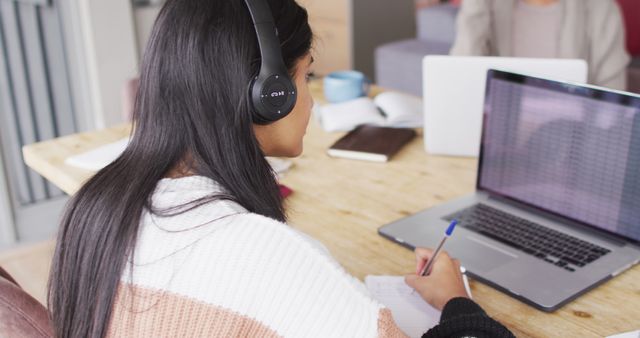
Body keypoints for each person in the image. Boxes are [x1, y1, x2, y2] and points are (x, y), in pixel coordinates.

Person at [47, 0, 515, 337]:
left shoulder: (92, 207)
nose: (310, 97)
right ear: (271, 93)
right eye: (306, 75)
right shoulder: (265, 256)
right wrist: (458, 307)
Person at [450, 0, 630, 91]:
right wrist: (475, 9)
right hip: (497, 142)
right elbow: (458, 83)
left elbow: (613, 112)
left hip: (572, 144)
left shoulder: (601, 8)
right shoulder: (488, 6)